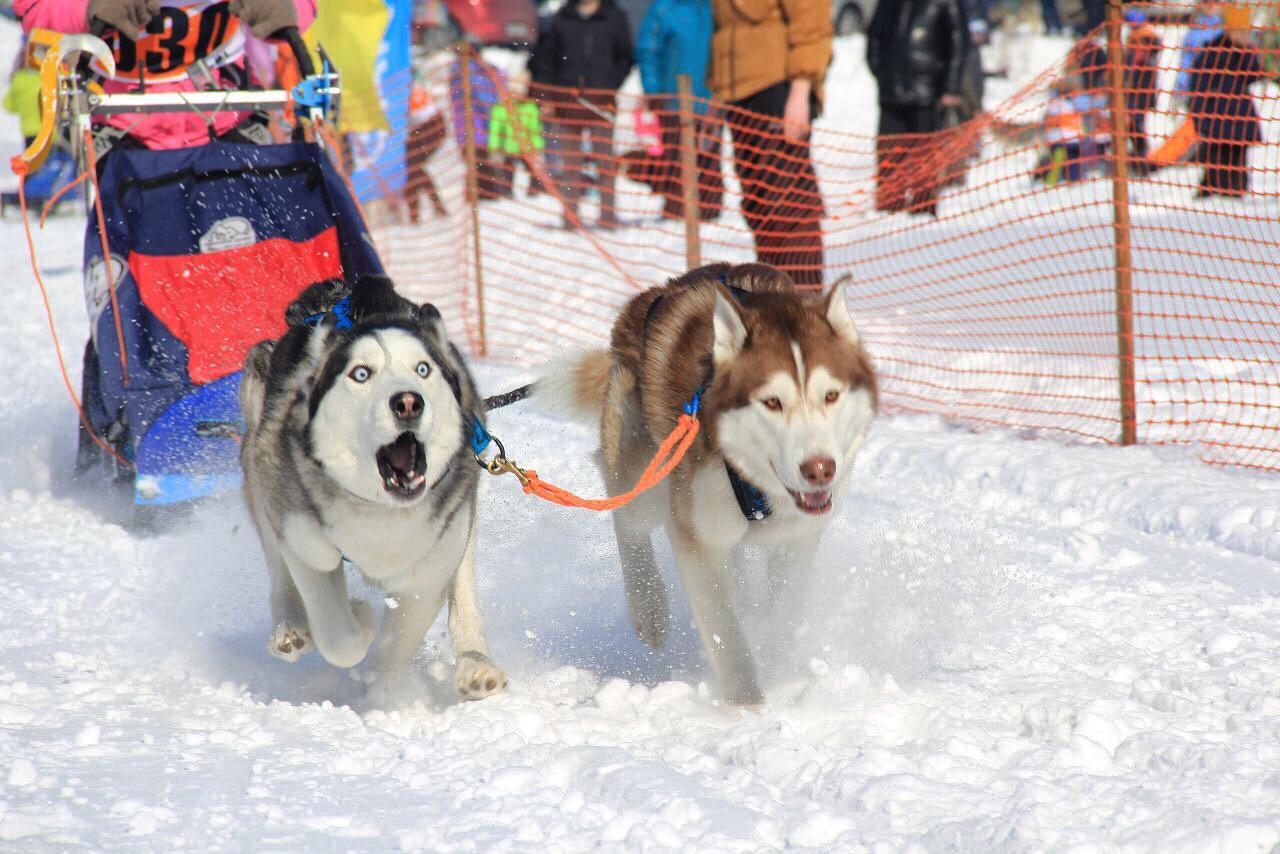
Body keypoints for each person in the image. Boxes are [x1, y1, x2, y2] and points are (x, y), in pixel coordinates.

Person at [15, 0, 317, 151]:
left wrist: (283, 7)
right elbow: (33, 10)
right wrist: (89, 8)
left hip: (228, 118)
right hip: (120, 132)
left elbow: (302, 8)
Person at [710, 0, 830, 285]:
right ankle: (774, 299)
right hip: (738, 92)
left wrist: (801, 90)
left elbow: (811, 22)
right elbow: (724, 31)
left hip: (778, 88)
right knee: (758, 203)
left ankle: (805, 303)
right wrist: (716, 95)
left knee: (788, 202)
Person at [528, 0, 633, 229]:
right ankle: (570, 218)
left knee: (605, 164)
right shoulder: (562, 18)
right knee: (571, 167)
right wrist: (546, 96)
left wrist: (610, 83)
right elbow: (546, 60)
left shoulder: (614, 16)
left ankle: (608, 217)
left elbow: (625, 56)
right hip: (567, 103)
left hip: (602, 102)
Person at [867, 0, 972, 217]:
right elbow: (874, 37)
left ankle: (923, 209)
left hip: (928, 91)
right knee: (889, 154)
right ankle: (889, 208)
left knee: (925, 156)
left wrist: (950, 87)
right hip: (891, 90)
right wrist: (882, 72)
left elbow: (959, 41)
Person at [635, 0, 723, 221]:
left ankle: (710, 216)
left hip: (710, 101)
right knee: (676, 161)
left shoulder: (715, 7)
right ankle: (674, 213)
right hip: (673, 101)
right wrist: (653, 91)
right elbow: (648, 51)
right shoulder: (664, 9)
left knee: (709, 162)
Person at [1187, 5, 1264, 199]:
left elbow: (1254, 75)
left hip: (1239, 113)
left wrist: (1245, 48)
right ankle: (1212, 189)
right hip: (1217, 113)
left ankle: (1235, 191)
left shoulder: (1244, 51)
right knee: (1216, 154)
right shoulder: (1213, 49)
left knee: (1237, 155)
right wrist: (1198, 113)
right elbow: (1198, 83)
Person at [404, 76, 448, 223]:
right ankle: (430, 207)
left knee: (412, 167)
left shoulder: (403, 84)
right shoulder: (407, 80)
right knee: (413, 168)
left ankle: (417, 213)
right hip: (430, 126)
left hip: (428, 126)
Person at [1122, 9, 1162, 162]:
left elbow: (1133, 68)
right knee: (1134, 122)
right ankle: (1139, 153)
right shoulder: (1141, 39)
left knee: (1136, 123)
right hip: (1140, 91)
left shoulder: (1142, 39)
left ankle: (1142, 154)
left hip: (1139, 91)